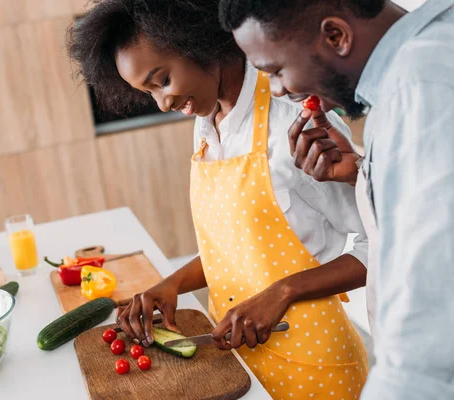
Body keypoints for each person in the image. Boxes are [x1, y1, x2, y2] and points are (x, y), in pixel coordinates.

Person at [67, 1, 370, 398]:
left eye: (162, 81)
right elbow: (235, 250)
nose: (163, 103)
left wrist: (283, 292)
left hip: (314, 366)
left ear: (197, 43)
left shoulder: (296, 122)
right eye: (148, 92)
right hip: (235, 363)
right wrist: (171, 284)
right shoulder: (207, 125)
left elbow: (381, 244)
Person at [217, 0, 454, 399]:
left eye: (276, 71)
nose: (279, 90)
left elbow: (430, 316)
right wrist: (361, 173)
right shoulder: (426, 61)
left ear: (336, 36)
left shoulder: (419, 87)